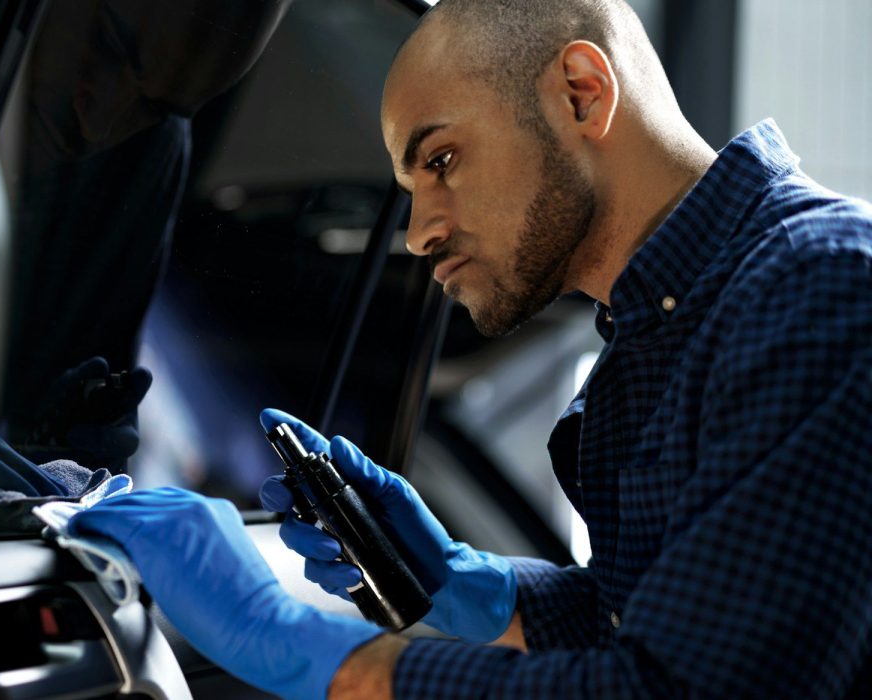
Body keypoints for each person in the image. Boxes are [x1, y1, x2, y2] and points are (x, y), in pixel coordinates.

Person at [66, 0, 872, 698]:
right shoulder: (668, 327)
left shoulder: (824, 285)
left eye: (442, 160)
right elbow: (670, 617)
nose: (420, 235)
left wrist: (288, 639)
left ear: (582, 93)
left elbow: (685, 688)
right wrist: (472, 585)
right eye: (412, 189)